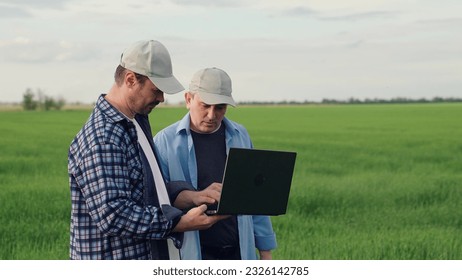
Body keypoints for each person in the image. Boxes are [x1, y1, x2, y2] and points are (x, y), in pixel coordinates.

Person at [68, 40, 224, 260]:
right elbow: (114, 214)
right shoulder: (104, 138)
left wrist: (191, 197)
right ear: (131, 79)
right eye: (156, 90)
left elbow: (146, 191)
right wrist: (178, 223)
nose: (161, 98)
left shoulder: (136, 121)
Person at [153, 67, 277, 260]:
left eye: (220, 107)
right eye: (205, 105)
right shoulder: (165, 141)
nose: (212, 115)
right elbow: (159, 201)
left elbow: (255, 196)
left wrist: (265, 251)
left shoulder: (240, 135)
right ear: (188, 99)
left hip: (239, 251)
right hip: (191, 254)